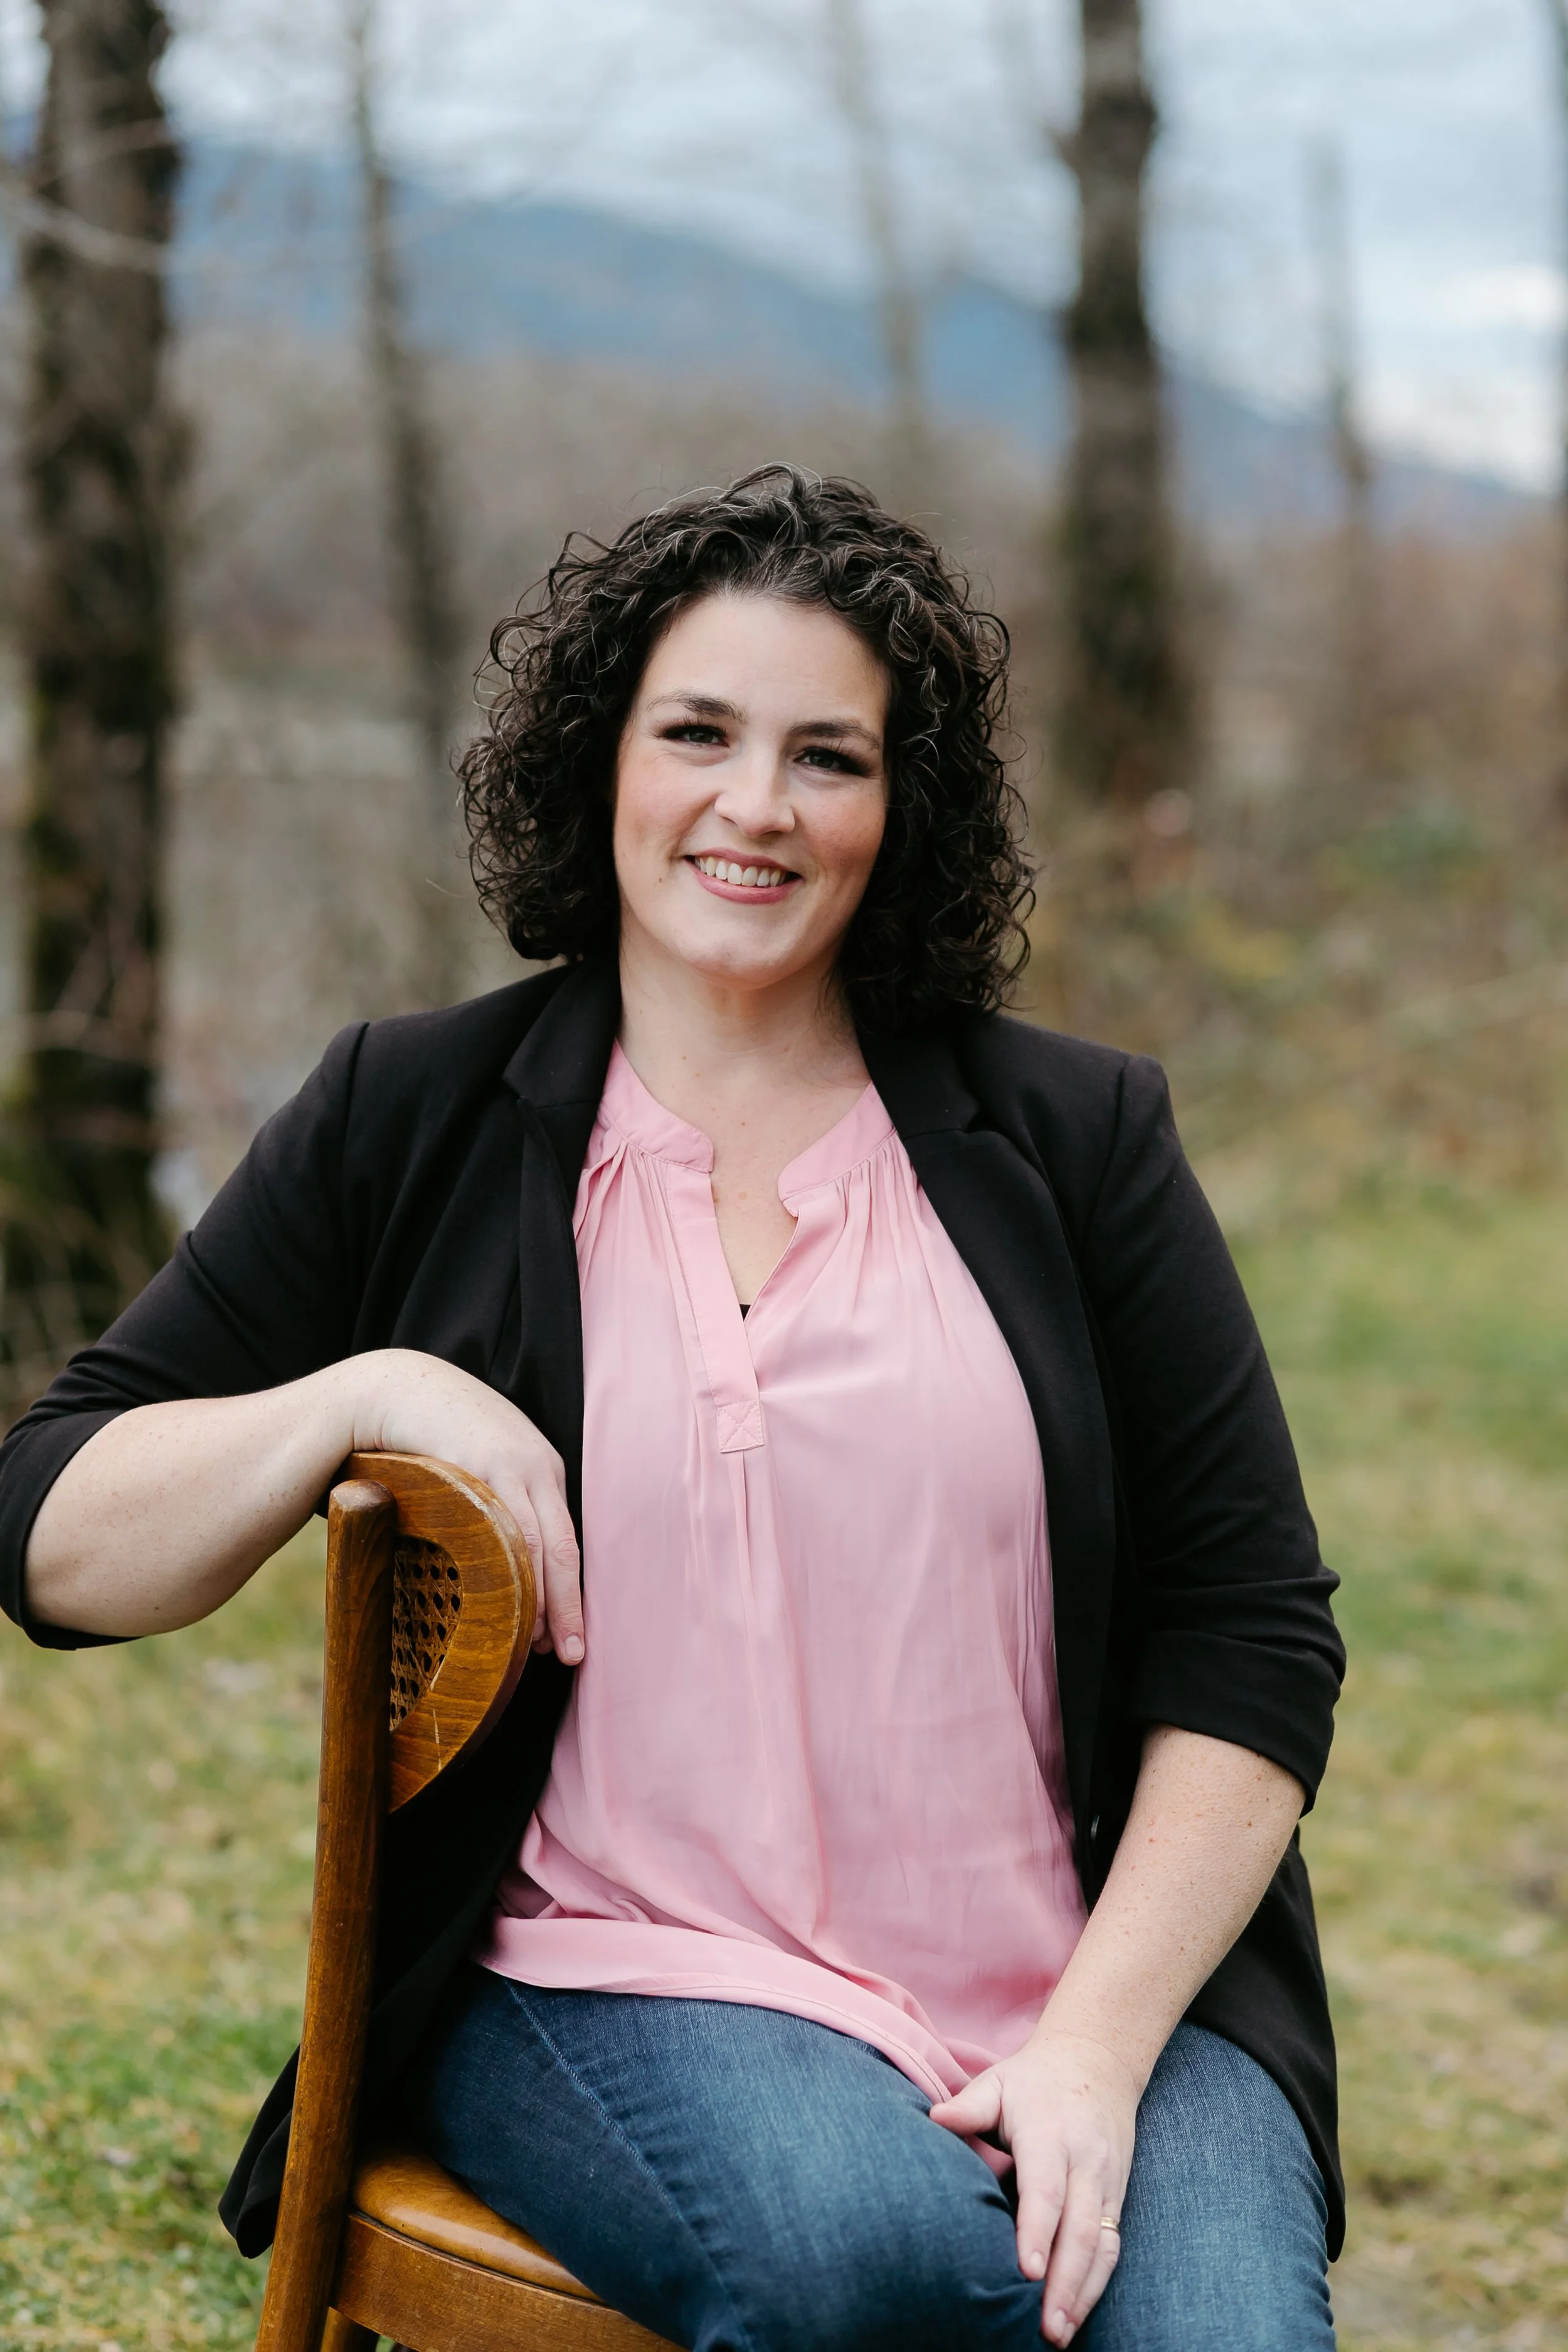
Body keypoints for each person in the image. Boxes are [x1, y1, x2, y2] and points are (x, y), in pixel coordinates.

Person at [0, 467, 1344, 2351]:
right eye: (696, 731)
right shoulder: (415, 1113)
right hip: (608, 1973)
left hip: (1085, 1972)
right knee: (890, 2275)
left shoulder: (1071, 1139)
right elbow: (56, 1533)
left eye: (829, 756)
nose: (754, 806)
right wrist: (357, 1393)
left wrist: (1096, 2052)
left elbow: (1252, 1635)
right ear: (598, 759)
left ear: (902, 809)